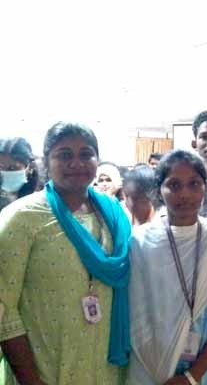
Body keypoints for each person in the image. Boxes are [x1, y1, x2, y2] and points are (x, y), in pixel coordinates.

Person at [0, 121, 131, 384]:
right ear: (46, 162)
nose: (77, 163)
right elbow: (4, 310)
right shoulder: (21, 218)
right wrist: (30, 380)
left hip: (103, 369)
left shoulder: (114, 215)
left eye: (86, 154)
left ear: (97, 159)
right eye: (64, 155)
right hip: (45, 369)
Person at [127, 149, 207, 385]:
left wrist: (193, 376)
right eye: (174, 185)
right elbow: (135, 314)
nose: (184, 194)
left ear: (205, 188)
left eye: (194, 184)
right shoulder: (140, 242)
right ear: (159, 191)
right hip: (153, 368)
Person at [0, 137, 39, 212]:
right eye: (0, 167)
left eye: (12, 168)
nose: (4, 172)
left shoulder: (39, 204)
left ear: (30, 167)